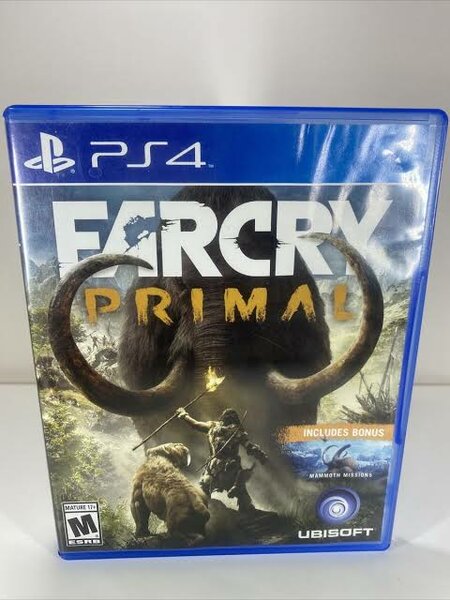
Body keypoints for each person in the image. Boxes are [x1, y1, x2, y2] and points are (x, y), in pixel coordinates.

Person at [176, 407, 267, 512]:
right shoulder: (233, 430)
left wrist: (184, 415)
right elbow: (249, 446)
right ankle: (201, 509)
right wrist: (261, 456)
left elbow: (195, 424)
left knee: (210, 487)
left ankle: (245, 508)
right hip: (224, 466)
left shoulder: (215, 427)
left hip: (222, 466)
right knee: (211, 487)